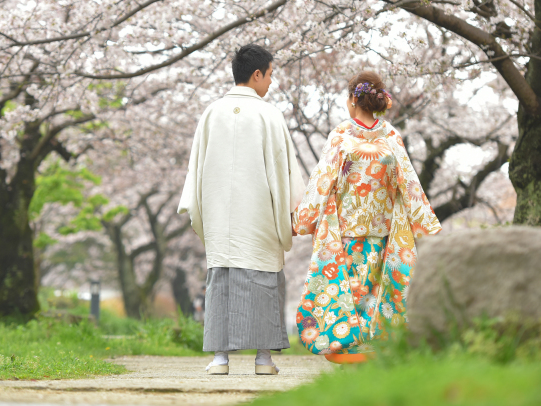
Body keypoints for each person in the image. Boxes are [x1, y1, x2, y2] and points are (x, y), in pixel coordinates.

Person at [292, 71, 441, 364]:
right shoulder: (391, 136)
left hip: (350, 226)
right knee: (371, 289)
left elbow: (323, 180)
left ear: (352, 99)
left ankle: (355, 349)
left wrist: (304, 219)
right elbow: (409, 182)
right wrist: (425, 224)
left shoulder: (342, 135)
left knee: (355, 289)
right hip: (377, 226)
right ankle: (368, 348)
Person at [178, 43, 305, 375]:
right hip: (259, 212)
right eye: (270, 74)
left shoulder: (212, 112)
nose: (271, 82)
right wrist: (292, 210)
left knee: (221, 278)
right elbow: (284, 168)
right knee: (263, 278)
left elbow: (196, 167)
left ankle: (220, 358)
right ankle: (263, 359)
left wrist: (199, 205)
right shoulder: (268, 114)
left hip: (219, 210)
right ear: (257, 74)